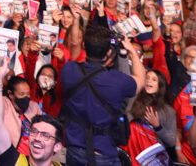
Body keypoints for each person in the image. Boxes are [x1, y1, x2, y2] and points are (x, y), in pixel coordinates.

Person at [60, 24, 146, 166]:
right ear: (108, 53)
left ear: (84, 46)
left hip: (73, 151)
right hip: (103, 155)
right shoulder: (117, 81)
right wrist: (131, 50)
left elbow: (74, 51)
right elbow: (141, 80)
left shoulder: (68, 71)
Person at [0, 61, 66, 166]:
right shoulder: (16, 162)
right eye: (34, 131)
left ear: (57, 146)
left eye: (45, 135)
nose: (37, 138)